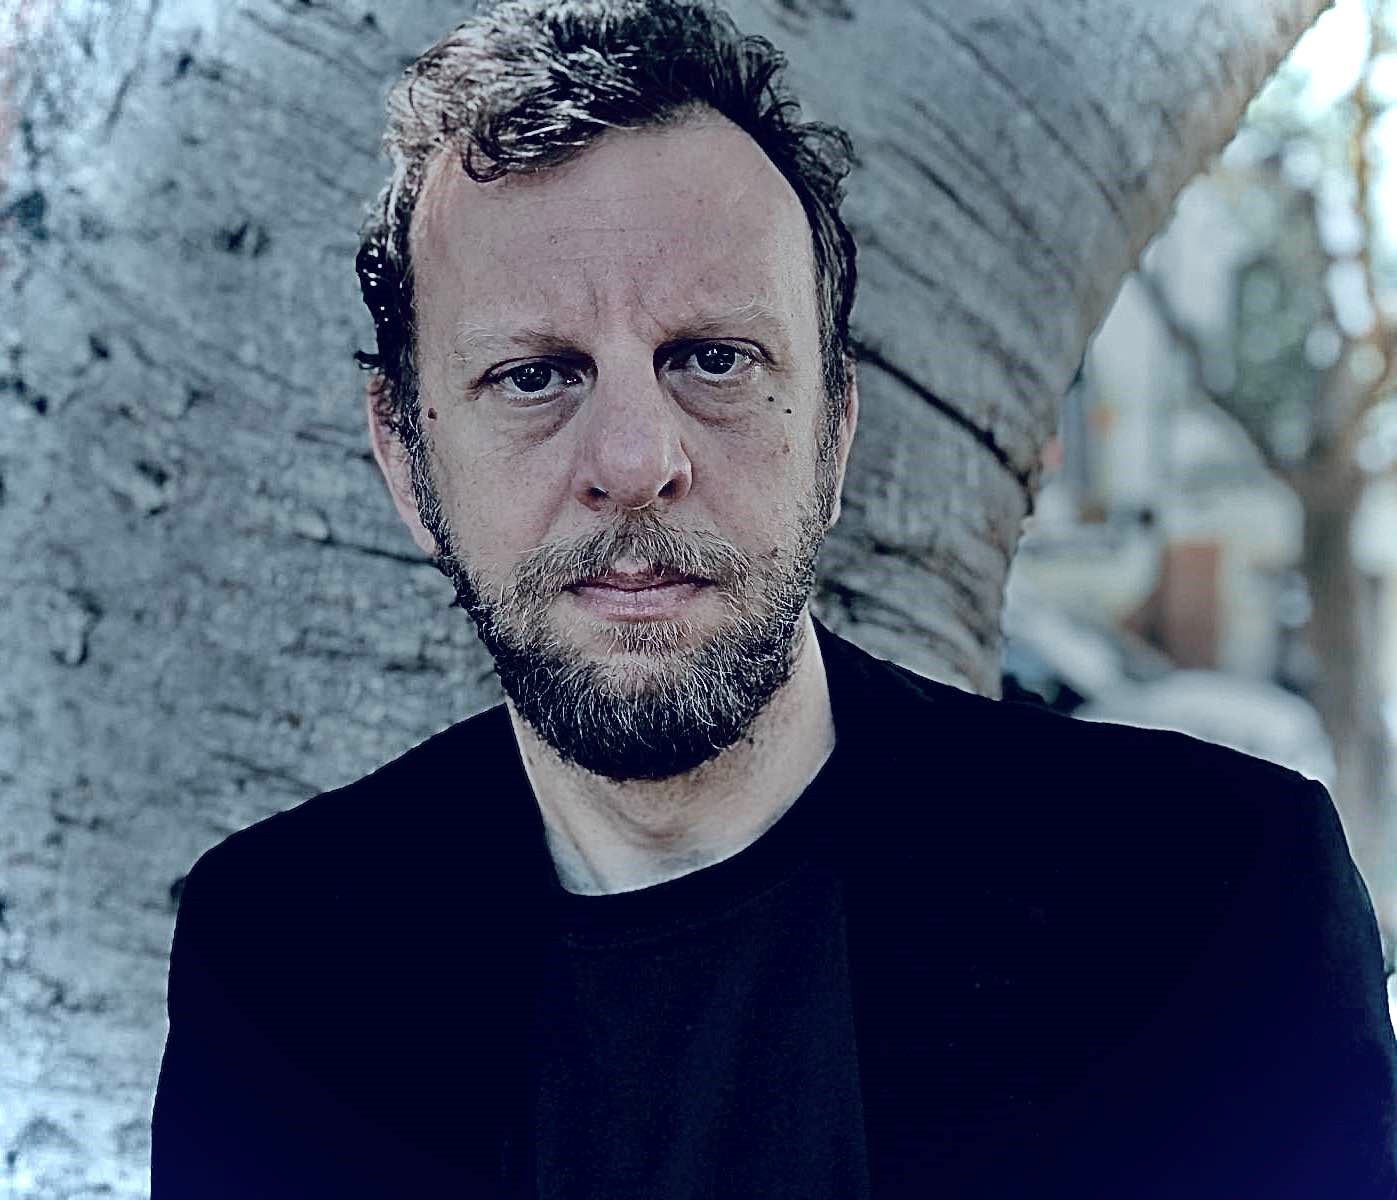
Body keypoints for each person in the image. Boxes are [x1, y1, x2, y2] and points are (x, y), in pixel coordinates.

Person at [149, 1, 1397, 1196]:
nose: (634, 461)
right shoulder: (277, 968)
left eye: (712, 360)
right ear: (404, 458)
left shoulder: (1210, 914)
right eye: (533, 375)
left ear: (834, 430)